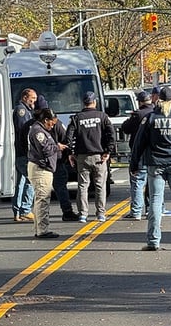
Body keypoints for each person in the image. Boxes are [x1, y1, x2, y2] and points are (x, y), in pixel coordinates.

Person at [129, 86, 171, 251]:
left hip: (155, 164)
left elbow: (139, 142)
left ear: (157, 100)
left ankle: (153, 241)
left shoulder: (151, 118)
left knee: (155, 202)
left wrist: (134, 164)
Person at [66, 91, 115, 223]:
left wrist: (70, 153)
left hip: (82, 156)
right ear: (94, 102)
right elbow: (111, 134)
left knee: (83, 186)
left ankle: (83, 214)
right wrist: (108, 151)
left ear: (84, 103)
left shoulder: (77, 118)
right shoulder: (102, 117)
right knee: (100, 185)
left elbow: (69, 137)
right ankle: (101, 213)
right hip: (99, 156)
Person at [27, 108, 67, 239]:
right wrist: (57, 147)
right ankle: (42, 230)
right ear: (45, 120)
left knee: (40, 199)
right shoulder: (38, 131)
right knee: (43, 199)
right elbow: (45, 149)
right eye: (52, 123)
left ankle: (39, 228)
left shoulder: (42, 130)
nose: (53, 126)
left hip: (44, 168)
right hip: (41, 169)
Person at [36, 95, 78, 221]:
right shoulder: (57, 124)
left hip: (40, 162)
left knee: (40, 191)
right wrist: (66, 155)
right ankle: (67, 211)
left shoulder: (31, 125)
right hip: (56, 160)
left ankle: (40, 216)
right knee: (60, 187)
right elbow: (66, 140)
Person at [120, 90, 155, 220]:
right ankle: (151, 209)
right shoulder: (156, 113)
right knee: (153, 182)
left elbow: (126, 128)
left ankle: (136, 211)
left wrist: (131, 117)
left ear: (139, 102)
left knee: (137, 182)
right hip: (154, 153)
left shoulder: (138, 115)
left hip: (139, 152)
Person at [12, 88, 36, 222]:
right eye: (32, 98)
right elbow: (24, 131)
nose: (34, 101)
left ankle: (18, 210)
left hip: (21, 151)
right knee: (30, 180)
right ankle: (25, 210)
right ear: (25, 97)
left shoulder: (26, 110)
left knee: (21, 182)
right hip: (24, 152)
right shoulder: (22, 111)